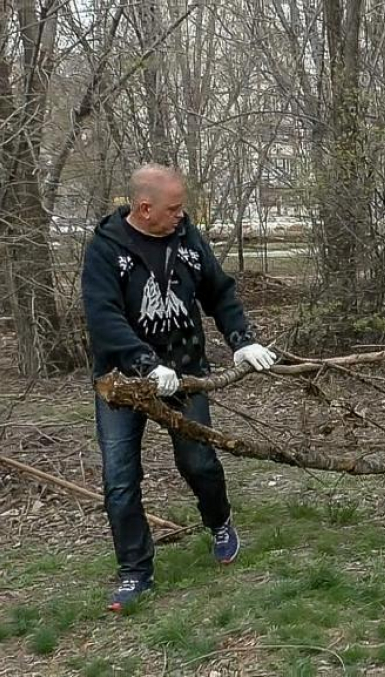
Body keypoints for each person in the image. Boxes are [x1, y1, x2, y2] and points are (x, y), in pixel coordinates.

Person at [82, 164, 277, 611]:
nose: (180, 214)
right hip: (122, 382)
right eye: (173, 208)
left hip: (185, 373)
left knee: (198, 461)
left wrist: (242, 341)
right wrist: (146, 364)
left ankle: (220, 521)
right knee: (120, 479)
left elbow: (219, 292)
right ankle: (135, 572)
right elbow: (103, 318)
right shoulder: (106, 251)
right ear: (145, 208)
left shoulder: (187, 239)